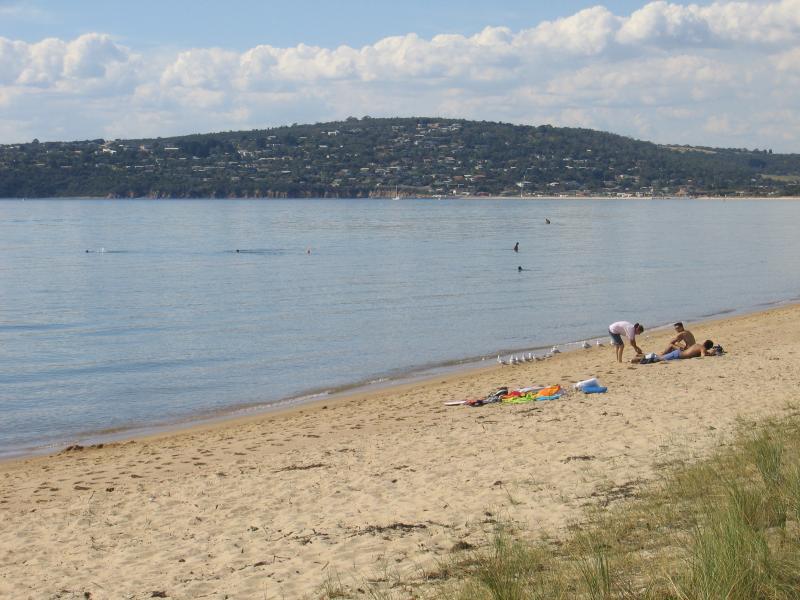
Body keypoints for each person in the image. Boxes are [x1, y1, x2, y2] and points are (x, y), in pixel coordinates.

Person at [633, 340, 718, 362]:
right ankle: (639, 358)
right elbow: (703, 356)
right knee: (658, 358)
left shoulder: (698, 345)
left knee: (659, 357)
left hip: (678, 354)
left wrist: (710, 353)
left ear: (704, 342)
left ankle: (640, 356)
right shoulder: (702, 349)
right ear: (708, 348)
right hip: (677, 355)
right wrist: (712, 354)